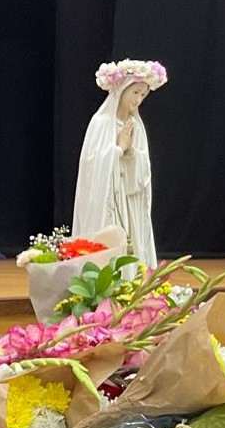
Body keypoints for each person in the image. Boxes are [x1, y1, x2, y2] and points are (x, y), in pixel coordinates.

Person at [71, 58, 168, 269]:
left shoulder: (135, 125)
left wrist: (131, 152)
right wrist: (117, 150)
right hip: (108, 199)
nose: (138, 99)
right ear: (122, 90)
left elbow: (143, 170)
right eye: (135, 93)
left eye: (143, 95)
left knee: (131, 246)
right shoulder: (101, 123)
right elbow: (91, 164)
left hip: (128, 198)